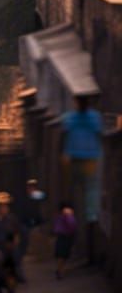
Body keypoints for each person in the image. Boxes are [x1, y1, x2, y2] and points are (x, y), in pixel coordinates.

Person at [60, 93, 102, 260]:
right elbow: (100, 135)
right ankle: (90, 217)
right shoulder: (95, 118)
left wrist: (63, 155)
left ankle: (71, 228)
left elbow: (63, 138)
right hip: (90, 160)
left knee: (71, 195)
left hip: (73, 160)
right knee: (90, 193)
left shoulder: (69, 118)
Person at [0, 191, 21, 287]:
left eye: (6, 206)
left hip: (9, 249)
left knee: (10, 274)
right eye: (2, 206)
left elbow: (16, 232)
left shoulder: (12, 218)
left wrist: (15, 242)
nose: (4, 208)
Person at [16, 178, 44, 283]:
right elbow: (24, 213)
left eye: (34, 188)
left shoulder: (35, 197)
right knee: (22, 250)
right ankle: (19, 272)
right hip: (24, 226)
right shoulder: (24, 199)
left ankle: (19, 271)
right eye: (30, 188)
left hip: (31, 226)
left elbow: (42, 201)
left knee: (25, 248)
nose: (32, 190)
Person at [53, 203, 77, 279]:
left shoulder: (60, 217)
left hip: (62, 237)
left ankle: (60, 270)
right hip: (65, 237)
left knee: (62, 255)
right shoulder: (66, 216)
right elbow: (72, 226)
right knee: (62, 255)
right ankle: (60, 271)